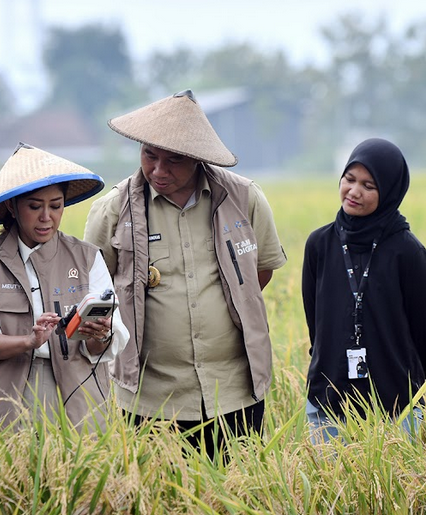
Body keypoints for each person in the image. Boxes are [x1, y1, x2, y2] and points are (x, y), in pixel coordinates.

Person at [84, 90, 288, 457]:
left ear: (197, 158)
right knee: (159, 492)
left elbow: (260, 272)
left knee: (238, 486)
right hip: (151, 396)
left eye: (174, 160)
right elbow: (96, 291)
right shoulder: (113, 211)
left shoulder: (243, 199)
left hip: (234, 390)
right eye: (150, 155)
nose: (158, 170)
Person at [0, 143, 129, 434]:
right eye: (35, 207)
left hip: (78, 393)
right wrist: (28, 341)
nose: (47, 217)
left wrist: (100, 333)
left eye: (56, 206)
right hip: (7, 394)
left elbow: (104, 346)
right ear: (12, 206)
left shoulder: (87, 258)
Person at [301, 137, 426, 442]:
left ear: (389, 191)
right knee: (329, 472)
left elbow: (425, 329)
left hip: (396, 401)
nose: (354, 191)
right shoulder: (320, 244)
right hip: (329, 393)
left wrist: (406, 371)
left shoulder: (407, 251)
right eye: (349, 179)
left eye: (368, 185)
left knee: (401, 473)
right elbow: (315, 321)